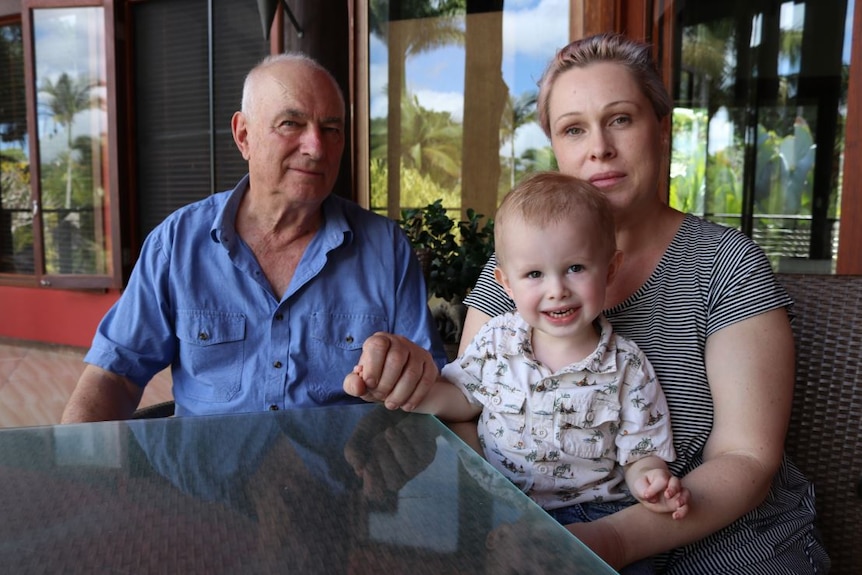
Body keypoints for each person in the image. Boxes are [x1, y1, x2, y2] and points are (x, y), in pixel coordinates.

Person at [457, 34, 828, 573]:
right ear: (556, 148)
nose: (599, 148)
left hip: (727, 547)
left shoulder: (726, 264)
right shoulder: (516, 277)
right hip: (542, 544)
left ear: (662, 129)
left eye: (621, 119)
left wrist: (609, 542)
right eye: (574, 129)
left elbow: (746, 457)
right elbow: (465, 408)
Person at [61, 53, 446, 423]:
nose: (316, 148)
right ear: (243, 135)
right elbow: (114, 375)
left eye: (331, 129)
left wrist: (411, 371)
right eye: (291, 124)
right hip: (207, 484)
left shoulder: (386, 249)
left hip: (343, 480)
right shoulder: (176, 244)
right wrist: (80, 472)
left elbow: (430, 380)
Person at [382, 172, 691, 571]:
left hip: (595, 515)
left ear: (610, 269)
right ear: (506, 283)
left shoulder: (627, 367)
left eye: (576, 268)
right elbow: (460, 398)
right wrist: (411, 392)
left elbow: (641, 454)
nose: (556, 289)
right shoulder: (497, 343)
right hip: (502, 507)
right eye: (534, 275)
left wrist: (650, 481)